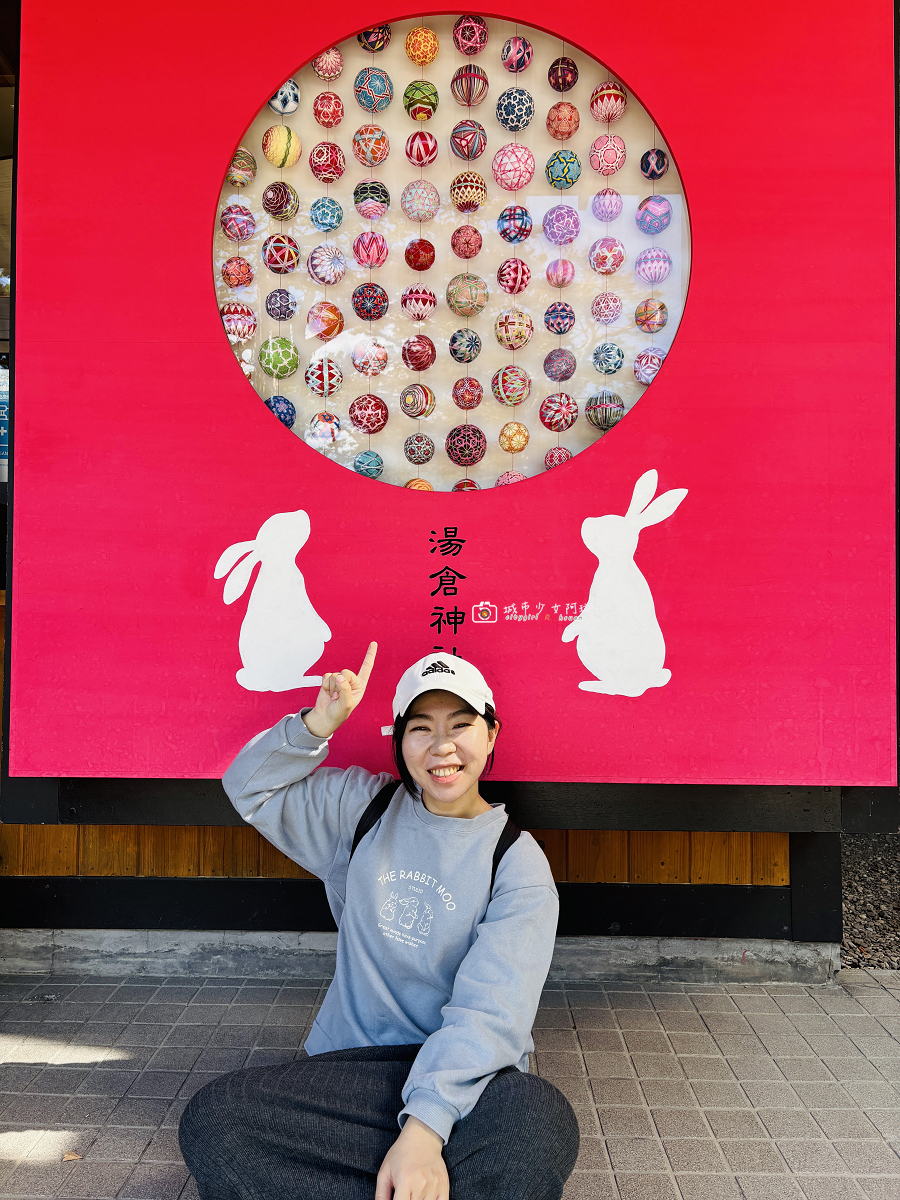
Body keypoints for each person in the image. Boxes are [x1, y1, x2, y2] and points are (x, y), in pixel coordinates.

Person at [179, 644, 579, 1200]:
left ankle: (391, 1174)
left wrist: (424, 1130)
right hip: (353, 1073)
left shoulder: (516, 862)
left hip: (467, 1085)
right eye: (421, 728)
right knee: (215, 1120)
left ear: (491, 734)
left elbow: (492, 1013)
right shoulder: (361, 810)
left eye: (461, 724)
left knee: (536, 1119)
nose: (442, 745)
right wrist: (318, 724)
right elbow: (247, 787)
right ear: (400, 742)